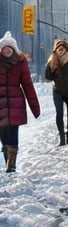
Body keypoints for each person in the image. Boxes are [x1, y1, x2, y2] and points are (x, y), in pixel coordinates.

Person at [0, 31, 41, 172]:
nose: (6, 50)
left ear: (13, 49)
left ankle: (11, 165)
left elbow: (27, 84)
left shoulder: (20, 62)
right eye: (4, 48)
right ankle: (7, 156)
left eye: (9, 48)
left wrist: (35, 107)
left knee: (12, 133)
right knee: (3, 135)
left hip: (15, 102)